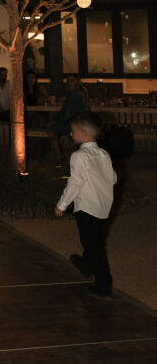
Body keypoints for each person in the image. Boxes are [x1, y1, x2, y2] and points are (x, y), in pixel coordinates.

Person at [54, 111, 116, 299]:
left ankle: (103, 286)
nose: (71, 134)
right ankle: (85, 265)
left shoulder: (79, 156)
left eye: (73, 131)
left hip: (87, 208)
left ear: (83, 134)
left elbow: (75, 183)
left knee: (93, 246)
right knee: (95, 240)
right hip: (103, 207)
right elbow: (113, 178)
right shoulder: (104, 153)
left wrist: (62, 205)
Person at [47, 74, 90, 160]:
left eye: (71, 80)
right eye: (67, 81)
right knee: (51, 126)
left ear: (76, 82)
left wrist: (55, 121)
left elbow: (68, 114)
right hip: (81, 123)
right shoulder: (79, 93)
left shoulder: (75, 94)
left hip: (75, 124)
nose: (68, 83)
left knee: (49, 128)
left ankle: (58, 154)